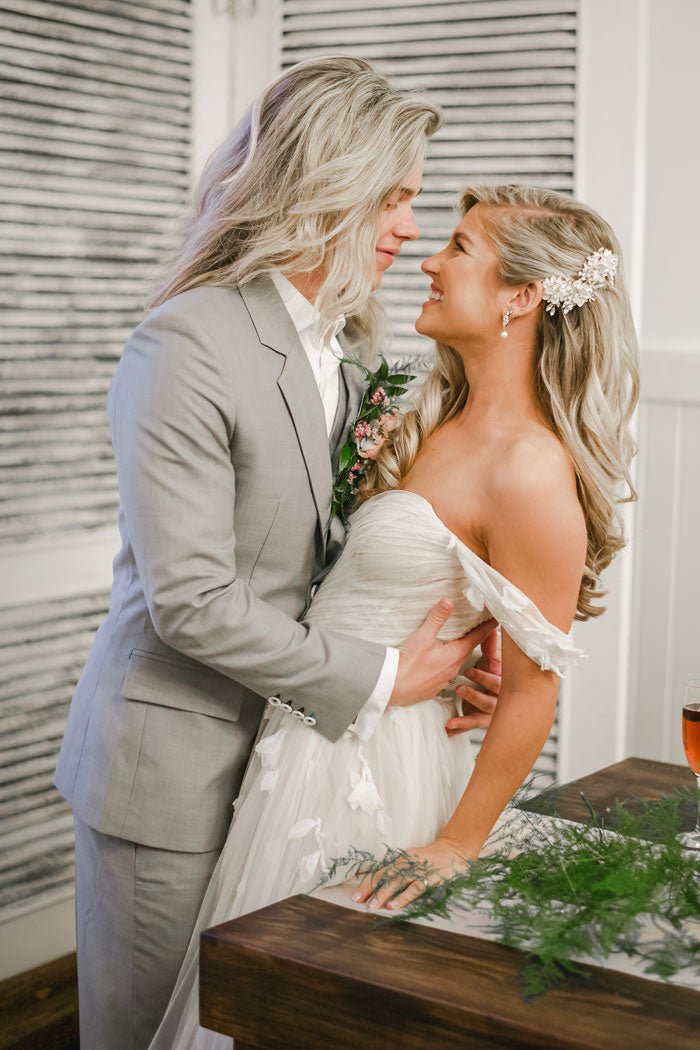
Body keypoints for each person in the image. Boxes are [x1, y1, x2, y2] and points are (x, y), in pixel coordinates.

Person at [53, 57, 501, 1050]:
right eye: (392, 198)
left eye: (412, 201)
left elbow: (344, 548)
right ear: (322, 183)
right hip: (172, 773)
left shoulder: (347, 346)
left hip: (291, 771)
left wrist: (459, 648)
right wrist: (386, 676)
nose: (407, 230)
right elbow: (194, 602)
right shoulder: (186, 344)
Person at [148, 182, 639, 1050]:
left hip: (377, 766)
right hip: (305, 735)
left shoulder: (530, 470)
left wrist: (454, 845)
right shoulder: (424, 408)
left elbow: (532, 693)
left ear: (521, 298)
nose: (427, 259)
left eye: (458, 248)